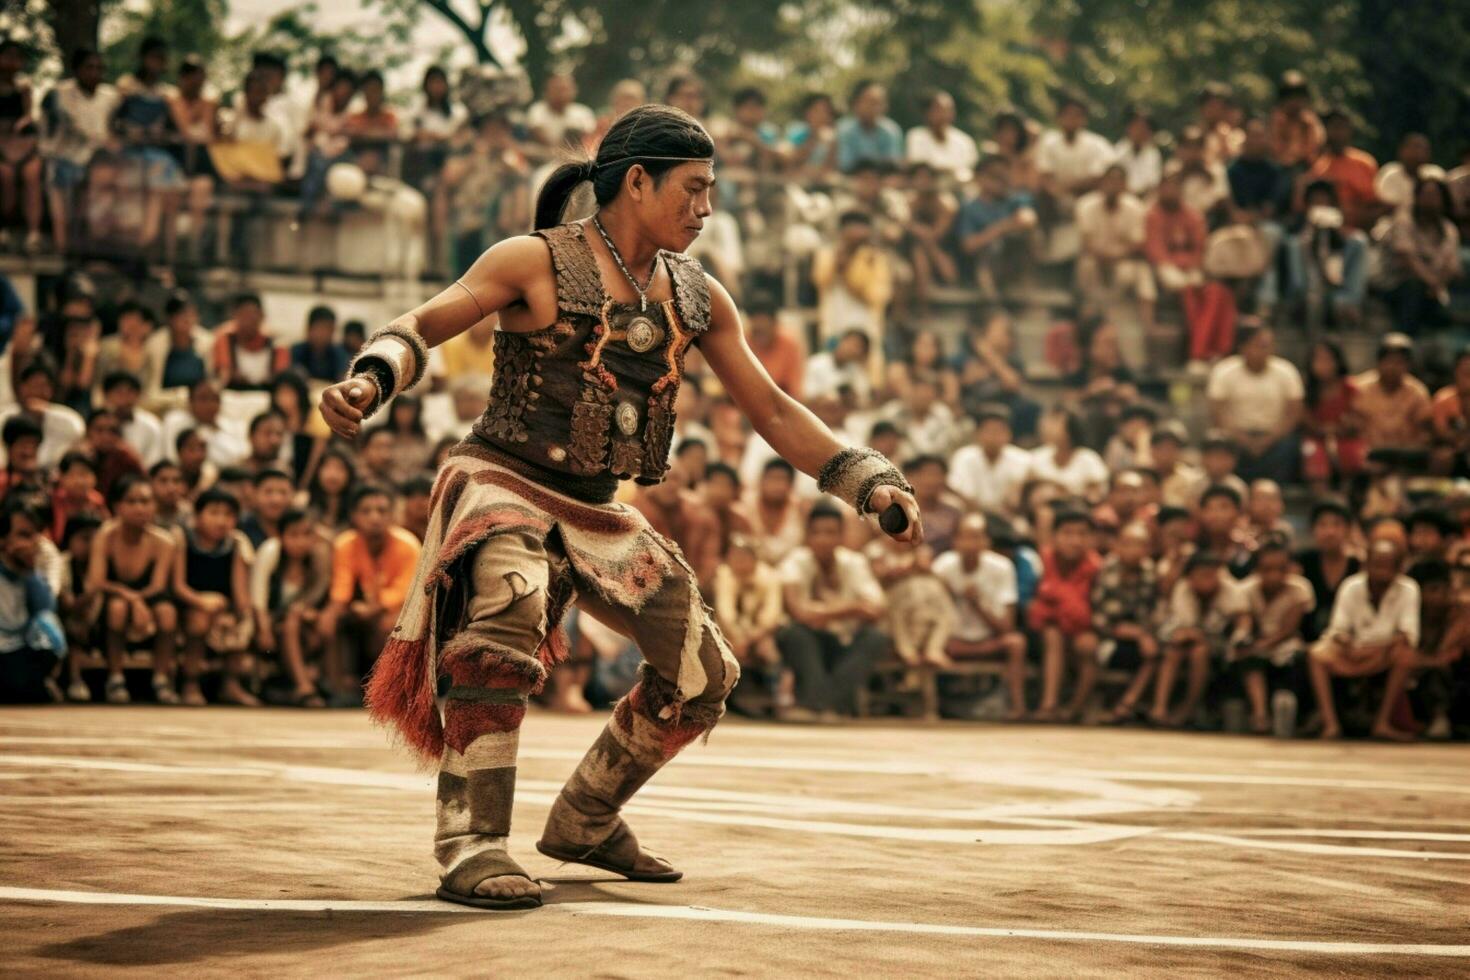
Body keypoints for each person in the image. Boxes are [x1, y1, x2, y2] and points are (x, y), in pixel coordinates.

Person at [316, 104, 918, 911]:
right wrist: (370, 379)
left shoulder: (700, 297)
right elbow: (425, 322)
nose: (707, 210)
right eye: (694, 190)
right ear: (638, 182)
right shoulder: (532, 260)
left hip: (600, 510)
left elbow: (773, 412)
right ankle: (472, 843)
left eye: (712, 192)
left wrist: (868, 480)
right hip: (504, 481)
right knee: (508, 607)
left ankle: (585, 818)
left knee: (704, 673)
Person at [776, 503, 889, 719]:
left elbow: (877, 608)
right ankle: (828, 706)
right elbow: (800, 612)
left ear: (841, 535)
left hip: (844, 641)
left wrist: (824, 613)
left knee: (876, 638)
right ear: (808, 535)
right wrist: (853, 608)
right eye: (817, 533)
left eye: (830, 533)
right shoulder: (795, 562)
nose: (824, 540)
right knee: (794, 634)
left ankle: (818, 704)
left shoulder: (854, 562)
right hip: (810, 642)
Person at [1308, 540, 1419, 740]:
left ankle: (1382, 723)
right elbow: (1338, 629)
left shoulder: (1409, 589)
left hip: (1384, 653)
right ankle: (1330, 723)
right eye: (1377, 564)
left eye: (1388, 566)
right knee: (1317, 654)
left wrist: (1376, 649)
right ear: (1366, 564)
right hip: (1352, 652)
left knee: (1406, 655)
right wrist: (1348, 645)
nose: (1381, 571)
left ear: (1399, 568)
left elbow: (1407, 634)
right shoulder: (1351, 586)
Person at [87, 475, 178, 704]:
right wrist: (131, 599)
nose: (140, 508)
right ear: (117, 506)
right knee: (117, 609)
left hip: (149, 597)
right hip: (112, 599)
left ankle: (160, 677)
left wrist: (138, 601)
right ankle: (115, 677)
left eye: (145, 501)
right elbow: (97, 581)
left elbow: (158, 585)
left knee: (167, 614)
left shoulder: (164, 541)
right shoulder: (106, 535)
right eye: (132, 501)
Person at [933, 513, 1026, 719]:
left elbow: (1007, 627)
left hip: (989, 641)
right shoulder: (943, 566)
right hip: (952, 643)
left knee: (1016, 643)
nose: (971, 544)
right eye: (965, 537)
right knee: (930, 644)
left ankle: (1017, 707)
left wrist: (977, 605)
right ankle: (930, 707)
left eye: (977, 537)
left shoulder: (1002, 568)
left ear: (987, 541)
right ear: (955, 541)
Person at [171, 487, 255, 707]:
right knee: (199, 619)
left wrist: (240, 614)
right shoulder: (182, 538)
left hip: (220, 607)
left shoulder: (236, 542)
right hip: (186, 605)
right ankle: (191, 682)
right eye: (214, 513)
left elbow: (240, 591)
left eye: (228, 515)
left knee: (243, 621)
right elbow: (177, 585)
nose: (221, 521)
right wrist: (201, 601)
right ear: (197, 516)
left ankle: (231, 684)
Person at [1146, 171, 1234, 369]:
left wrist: (1190, 265)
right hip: (1166, 267)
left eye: (1174, 187)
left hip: (1191, 267)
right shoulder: (1153, 214)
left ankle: (1213, 351)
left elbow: (1200, 247)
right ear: (1159, 190)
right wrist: (1177, 265)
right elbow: (1155, 249)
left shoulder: (1192, 215)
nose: (1171, 191)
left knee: (1219, 293)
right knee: (1188, 290)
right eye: (1166, 187)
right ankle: (1199, 353)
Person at [1154, 551, 1249, 728]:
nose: (1209, 580)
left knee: (1200, 652)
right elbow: (1185, 627)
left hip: (1221, 645)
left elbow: (1243, 621)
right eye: (1203, 575)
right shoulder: (1183, 589)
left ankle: (1188, 708)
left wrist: (1240, 636)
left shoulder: (1230, 590)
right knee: (1174, 651)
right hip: (1186, 640)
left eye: (1213, 575)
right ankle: (1159, 708)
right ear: (1191, 577)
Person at [251, 507, 332, 708]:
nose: (300, 542)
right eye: (293, 535)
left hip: (302, 626)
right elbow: (258, 597)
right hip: (269, 624)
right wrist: (263, 629)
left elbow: (319, 598)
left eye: (306, 535)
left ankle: (306, 684)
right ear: (281, 536)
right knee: (292, 618)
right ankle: (304, 686)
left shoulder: (318, 561)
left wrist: (310, 613)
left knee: (302, 623)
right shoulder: (271, 552)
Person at [1205, 325, 1303, 483]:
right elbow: (1218, 413)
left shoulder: (1286, 371)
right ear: (1243, 347)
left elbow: (1293, 413)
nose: (1266, 350)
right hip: (1236, 435)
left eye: (1269, 345)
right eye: (1260, 345)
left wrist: (1268, 440)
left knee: (1290, 446)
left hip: (1274, 436)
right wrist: (1242, 439)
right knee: (1220, 445)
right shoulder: (1224, 371)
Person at [1029, 509, 1102, 722]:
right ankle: (1049, 705)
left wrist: (1056, 603)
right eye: (1068, 533)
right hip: (1045, 632)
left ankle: (1074, 709)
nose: (1075, 541)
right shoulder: (1042, 560)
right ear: (1054, 537)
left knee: (1088, 645)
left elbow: (1087, 614)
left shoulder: (1096, 566)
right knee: (1053, 634)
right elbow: (1035, 610)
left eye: (1082, 534)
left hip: (1084, 629)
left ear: (1091, 539)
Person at [1235, 537, 1313, 734]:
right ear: (1257, 569)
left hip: (1285, 643)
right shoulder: (1245, 589)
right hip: (1255, 642)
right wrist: (1244, 637)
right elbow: (1244, 620)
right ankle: (1260, 713)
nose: (1273, 575)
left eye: (1280, 569)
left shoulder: (1301, 589)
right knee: (1247, 657)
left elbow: (1289, 629)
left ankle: (1286, 711)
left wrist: (1263, 645)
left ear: (1290, 568)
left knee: (1295, 658)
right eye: (1267, 569)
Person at [712, 534, 787, 716]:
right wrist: (737, 636)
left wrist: (753, 636)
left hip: (762, 633)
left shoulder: (770, 577)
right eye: (735, 556)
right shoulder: (724, 574)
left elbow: (772, 613)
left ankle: (774, 697)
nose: (740, 562)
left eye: (745, 556)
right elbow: (725, 610)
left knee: (768, 650)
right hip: (730, 632)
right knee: (721, 648)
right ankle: (720, 698)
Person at [1375, 177, 1462, 335]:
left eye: (1435, 195)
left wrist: (1437, 284)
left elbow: (1452, 266)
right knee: (1414, 288)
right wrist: (1432, 283)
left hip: (1432, 288)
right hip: (1395, 284)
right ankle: (1406, 337)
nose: (1430, 199)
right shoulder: (1404, 222)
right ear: (1417, 197)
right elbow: (1407, 259)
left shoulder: (1449, 229)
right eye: (1426, 194)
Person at [1093, 522, 1161, 724]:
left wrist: (1144, 634)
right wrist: (1137, 634)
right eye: (1128, 544)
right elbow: (1101, 618)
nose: (1133, 550)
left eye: (1139, 544)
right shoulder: (1107, 570)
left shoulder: (1150, 573)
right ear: (1118, 545)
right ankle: (1124, 706)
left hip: (1141, 639)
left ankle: (1128, 705)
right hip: (1108, 639)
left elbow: (1152, 613)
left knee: (1157, 652)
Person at [1074, 165, 1156, 331]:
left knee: (1142, 272)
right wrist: (1103, 256)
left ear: (1125, 185)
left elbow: (1137, 244)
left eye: (1118, 182)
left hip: (1122, 260)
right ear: (1102, 183)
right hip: (1095, 257)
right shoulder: (1085, 204)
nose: (1113, 185)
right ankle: (1086, 318)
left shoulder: (1135, 207)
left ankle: (1148, 327)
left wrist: (1116, 257)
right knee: (1086, 266)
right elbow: (1086, 242)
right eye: (1110, 181)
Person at [0, 501, 66, 703]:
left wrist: (30, 571)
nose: (33, 542)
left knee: (48, 625)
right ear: (3, 539)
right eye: (23, 535)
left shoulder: (45, 553)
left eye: (36, 533)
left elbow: (46, 607)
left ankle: (34, 682)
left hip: (21, 643)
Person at [1300, 339, 1365, 491]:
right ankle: (1322, 500)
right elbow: (1304, 418)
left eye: (1327, 359)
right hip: (1316, 437)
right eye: (1318, 359)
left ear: (1337, 361)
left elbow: (1357, 418)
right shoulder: (1307, 388)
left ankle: (1346, 498)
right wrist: (1322, 430)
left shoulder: (1349, 388)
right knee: (1313, 455)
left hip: (1345, 436)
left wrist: (1342, 428)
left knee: (1352, 455)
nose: (1323, 365)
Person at [1294, 499, 1360, 643]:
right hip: (1305, 641)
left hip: (1349, 641)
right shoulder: (1301, 562)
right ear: (1312, 530)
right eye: (1322, 525)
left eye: (1337, 524)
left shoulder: (1358, 565)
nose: (1330, 532)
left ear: (1348, 530)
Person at [1302, 108, 1379, 231]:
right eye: (1334, 128)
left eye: (1342, 127)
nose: (1338, 133)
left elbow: (1376, 205)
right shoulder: (1318, 168)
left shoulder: (1365, 163)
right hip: (1328, 231)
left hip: (1360, 230)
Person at [948, 406, 1030, 518]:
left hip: (1009, 517)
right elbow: (961, 493)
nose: (994, 436)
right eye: (989, 430)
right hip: (972, 514)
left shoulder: (1023, 459)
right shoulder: (964, 457)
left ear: (1009, 434)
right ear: (977, 433)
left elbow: (1015, 500)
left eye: (999, 431)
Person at [1353, 333, 1430, 452]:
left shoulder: (1417, 392)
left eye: (1399, 362)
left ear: (1408, 365)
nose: (1393, 367)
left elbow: (1424, 431)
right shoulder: (1359, 388)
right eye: (1388, 361)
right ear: (1379, 362)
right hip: (1367, 453)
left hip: (1404, 456)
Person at [1029, 408, 1108, 503]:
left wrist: (1065, 494)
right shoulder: (1037, 457)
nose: (1048, 427)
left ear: (1071, 429)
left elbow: (1096, 496)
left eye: (1056, 423)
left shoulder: (1088, 459)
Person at [904, 90, 977, 182]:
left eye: (948, 110)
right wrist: (949, 170)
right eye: (938, 110)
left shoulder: (965, 141)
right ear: (928, 112)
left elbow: (969, 171)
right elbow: (919, 167)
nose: (944, 115)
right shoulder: (916, 136)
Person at [835, 80, 903, 173]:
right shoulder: (843, 129)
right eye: (871, 102)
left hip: (882, 181)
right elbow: (845, 165)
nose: (876, 108)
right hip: (850, 179)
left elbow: (893, 164)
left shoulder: (891, 130)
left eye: (880, 103)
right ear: (856, 104)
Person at [525, 73, 596, 153]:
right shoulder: (537, 110)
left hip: (577, 155)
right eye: (557, 89)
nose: (562, 94)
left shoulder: (584, 112)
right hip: (544, 154)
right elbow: (538, 134)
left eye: (565, 89)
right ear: (547, 91)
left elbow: (589, 137)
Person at [290, 305, 349, 382]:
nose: (324, 334)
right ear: (309, 329)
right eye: (320, 328)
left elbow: (342, 379)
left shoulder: (339, 354)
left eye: (328, 329)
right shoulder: (296, 351)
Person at [1114, 106, 1162, 198]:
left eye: (1144, 127)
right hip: (1121, 197)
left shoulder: (1154, 154)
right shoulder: (1119, 150)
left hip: (1145, 198)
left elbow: (1152, 184)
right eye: (1136, 126)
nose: (1140, 131)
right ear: (1128, 128)